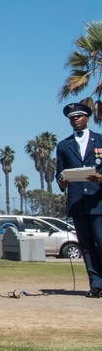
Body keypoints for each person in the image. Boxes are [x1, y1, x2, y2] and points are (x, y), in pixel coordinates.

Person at [55, 102, 102, 298]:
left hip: (98, 202)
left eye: (79, 116)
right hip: (77, 203)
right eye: (72, 118)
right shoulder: (63, 145)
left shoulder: (100, 140)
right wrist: (62, 182)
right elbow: (59, 172)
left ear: (87, 118)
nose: (75, 120)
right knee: (87, 246)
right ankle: (96, 285)